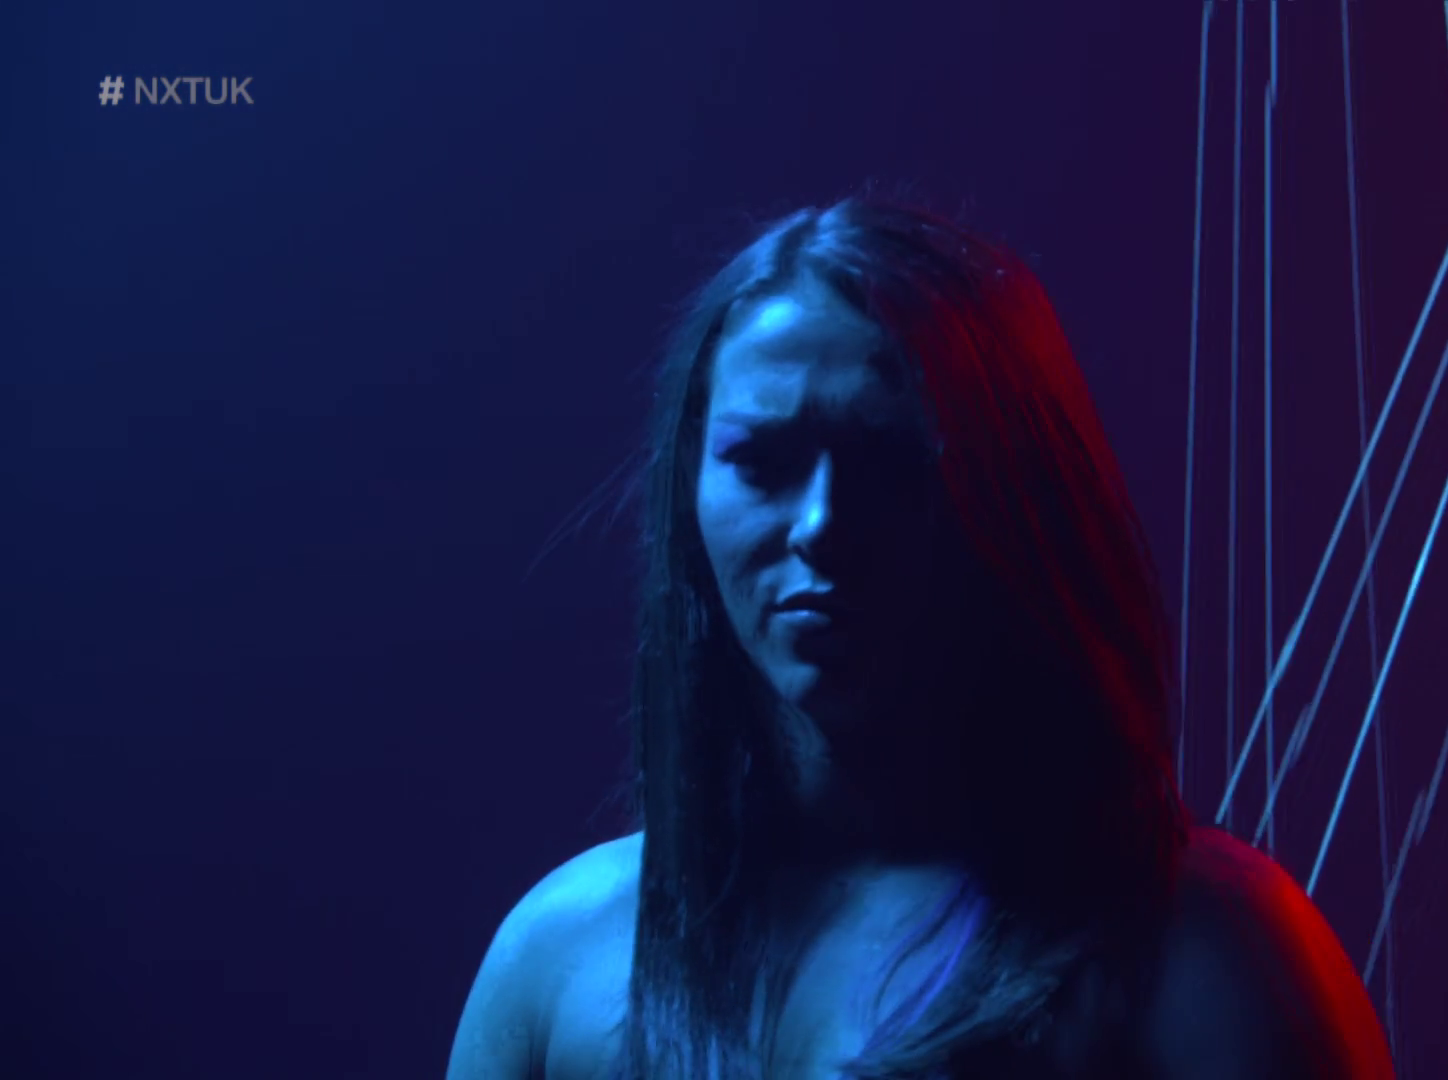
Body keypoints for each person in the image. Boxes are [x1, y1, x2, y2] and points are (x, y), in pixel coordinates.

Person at [447, 195, 1394, 1079]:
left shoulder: (1202, 953)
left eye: (892, 460)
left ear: (1016, 491)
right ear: (692, 485)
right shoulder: (564, 956)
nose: (822, 523)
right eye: (764, 461)